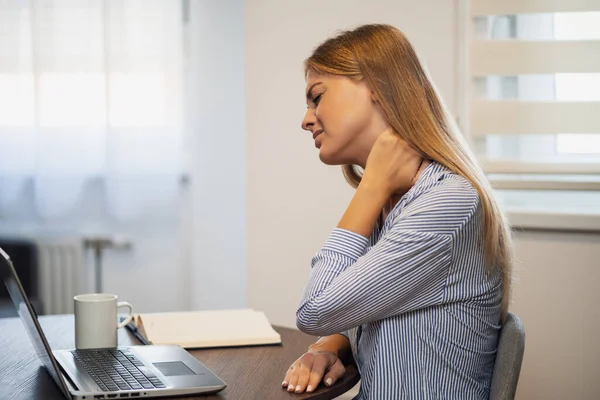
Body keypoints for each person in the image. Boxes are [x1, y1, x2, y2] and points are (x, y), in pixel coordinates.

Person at [281, 24, 513, 399]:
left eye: (316, 97)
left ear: (376, 86)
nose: (306, 119)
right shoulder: (399, 199)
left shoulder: (447, 204)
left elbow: (314, 310)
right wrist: (333, 343)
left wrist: (372, 186)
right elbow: (386, 305)